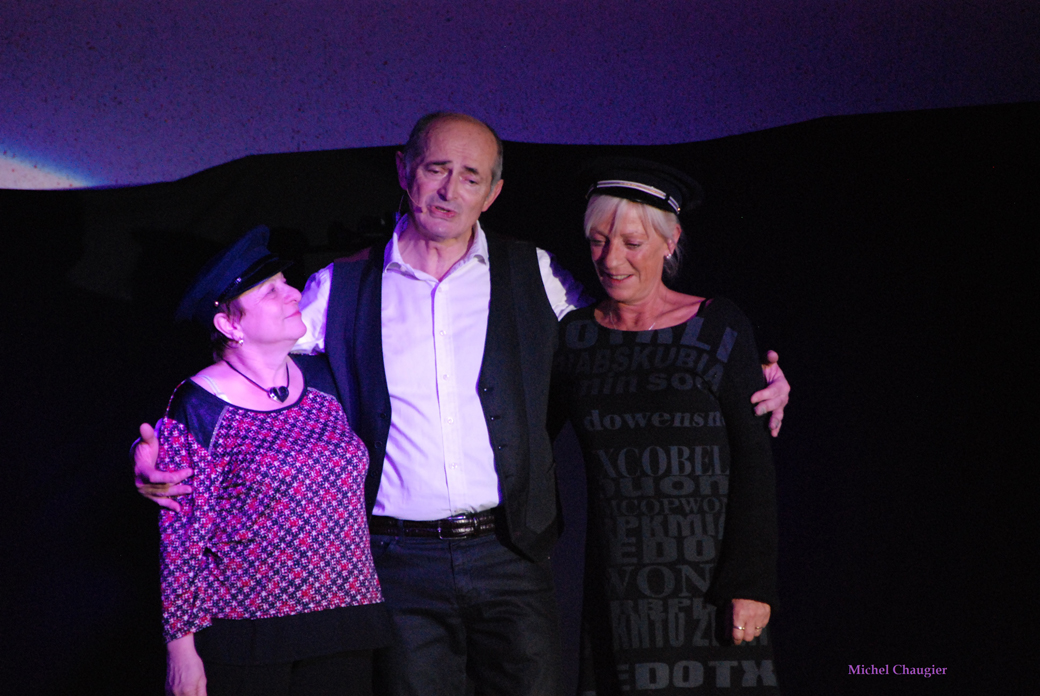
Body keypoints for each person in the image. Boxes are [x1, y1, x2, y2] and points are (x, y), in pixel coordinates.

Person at [135, 112, 790, 696]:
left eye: (471, 176)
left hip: (510, 555)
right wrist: (164, 446)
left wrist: (750, 378)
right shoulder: (339, 286)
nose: (450, 190)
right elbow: (249, 366)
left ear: (493, 192)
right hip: (396, 563)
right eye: (436, 169)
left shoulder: (537, 273)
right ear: (404, 171)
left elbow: (627, 337)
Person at [552, 158, 780, 694]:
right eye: (598, 241)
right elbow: (525, 434)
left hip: (714, 588)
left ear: (670, 241)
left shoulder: (717, 325)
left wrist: (751, 584)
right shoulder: (575, 338)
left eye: (632, 243)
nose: (611, 260)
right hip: (619, 587)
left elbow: (753, 462)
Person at [155, 226, 390, 696]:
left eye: (286, 282)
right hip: (250, 633)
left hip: (346, 623)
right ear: (230, 325)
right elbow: (181, 539)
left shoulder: (326, 379)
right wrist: (180, 650)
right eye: (270, 291)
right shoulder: (200, 405)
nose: (294, 294)